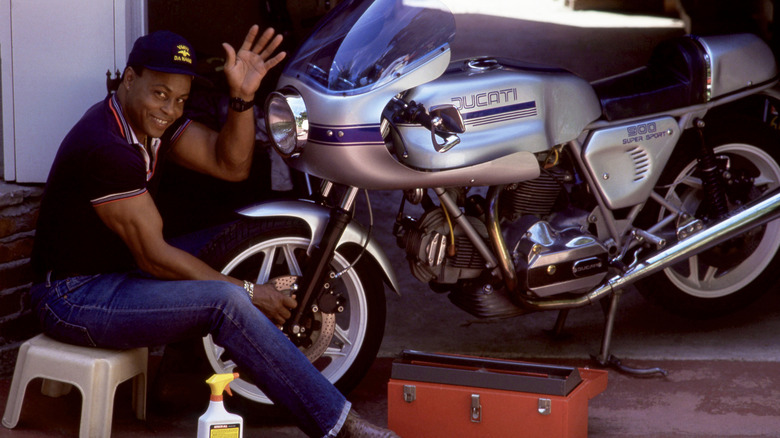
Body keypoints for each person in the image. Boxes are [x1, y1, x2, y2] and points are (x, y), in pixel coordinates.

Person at [29, 26, 399, 438]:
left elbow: (230, 165)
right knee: (227, 302)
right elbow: (154, 256)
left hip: (120, 269)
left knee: (238, 237)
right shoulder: (107, 147)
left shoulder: (151, 124)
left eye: (180, 99)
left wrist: (242, 98)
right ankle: (339, 426)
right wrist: (250, 291)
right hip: (74, 297)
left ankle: (177, 374)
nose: (169, 110)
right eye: (160, 94)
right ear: (129, 79)